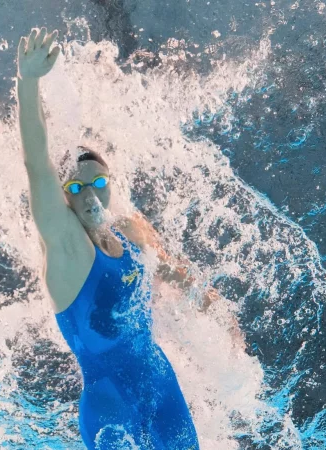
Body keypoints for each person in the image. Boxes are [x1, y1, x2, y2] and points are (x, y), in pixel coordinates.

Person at [16, 27, 204, 449]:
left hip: (161, 386)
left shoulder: (130, 230)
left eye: (98, 181)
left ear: (111, 183)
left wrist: (211, 309)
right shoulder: (68, 249)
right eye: (76, 188)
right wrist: (27, 83)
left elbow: (172, 271)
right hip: (110, 406)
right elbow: (37, 166)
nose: (90, 194)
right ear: (64, 197)